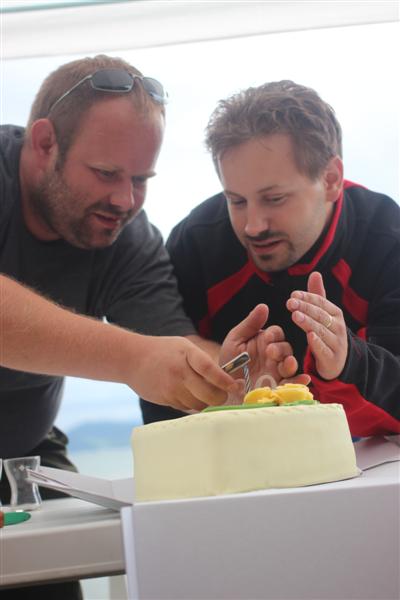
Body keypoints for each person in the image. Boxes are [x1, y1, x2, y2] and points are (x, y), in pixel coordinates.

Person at [0, 58, 303, 599]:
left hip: (23, 461)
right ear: (44, 143)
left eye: (141, 180)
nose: (125, 200)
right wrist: (132, 357)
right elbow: (140, 355)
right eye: (106, 173)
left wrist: (234, 374)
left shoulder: (126, 237)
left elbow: (170, 347)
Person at [140, 80, 400, 438]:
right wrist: (229, 397)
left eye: (274, 199)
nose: (253, 226)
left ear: (331, 179)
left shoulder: (388, 240)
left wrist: (348, 363)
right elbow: (161, 408)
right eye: (236, 201)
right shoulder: (197, 243)